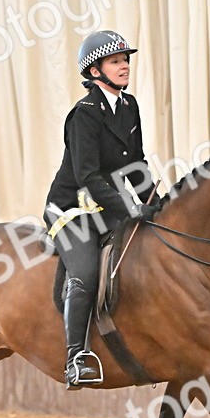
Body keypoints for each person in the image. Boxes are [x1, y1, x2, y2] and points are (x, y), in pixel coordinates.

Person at [44, 30, 159, 389]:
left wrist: (155, 202)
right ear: (95, 71)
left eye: (126, 59)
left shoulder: (129, 107)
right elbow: (88, 175)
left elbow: (135, 164)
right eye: (115, 61)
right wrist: (129, 206)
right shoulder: (84, 114)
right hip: (71, 210)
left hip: (107, 207)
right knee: (86, 272)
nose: (124, 65)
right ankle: (75, 358)